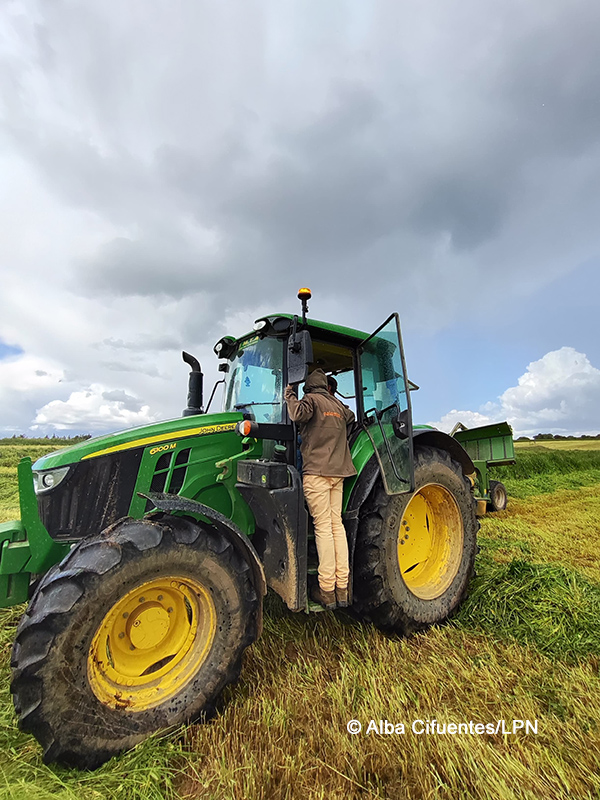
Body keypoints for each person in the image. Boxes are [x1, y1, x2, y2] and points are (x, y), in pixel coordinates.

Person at [284, 368, 356, 609]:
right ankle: (342, 588)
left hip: (316, 473)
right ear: (326, 386)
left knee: (323, 528)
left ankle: (326, 589)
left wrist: (289, 396)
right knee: (337, 526)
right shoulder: (337, 406)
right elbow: (351, 417)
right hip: (339, 474)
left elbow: (296, 415)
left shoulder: (310, 401)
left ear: (308, 386)